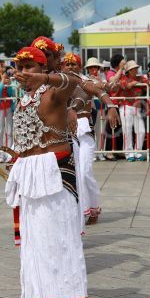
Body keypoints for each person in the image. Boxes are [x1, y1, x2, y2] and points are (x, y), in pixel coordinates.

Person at [7, 46, 86, 298]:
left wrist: (48, 80)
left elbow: (76, 83)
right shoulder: (23, 99)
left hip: (54, 172)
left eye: (30, 67)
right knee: (33, 240)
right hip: (29, 173)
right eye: (21, 67)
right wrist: (17, 159)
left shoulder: (54, 91)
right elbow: (29, 139)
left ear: (43, 69)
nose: (24, 72)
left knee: (56, 238)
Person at [62, 52, 103, 225]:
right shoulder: (60, 83)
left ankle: (93, 207)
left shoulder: (87, 82)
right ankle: (78, 210)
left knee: (85, 172)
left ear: (80, 66)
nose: (70, 67)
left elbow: (104, 88)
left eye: (74, 64)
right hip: (67, 132)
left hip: (85, 131)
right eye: (67, 64)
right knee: (74, 173)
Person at [119, 60, 147, 161]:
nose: (135, 70)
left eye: (136, 68)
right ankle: (129, 153)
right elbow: (125, 86)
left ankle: (137, 152)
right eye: (133, 69)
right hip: (126, 106)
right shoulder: (123, 78)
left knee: (141, 130)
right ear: (129, 71)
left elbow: (149, 83)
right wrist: (134, 83)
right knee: (127, 130)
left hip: (137, 108)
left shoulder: (140, 78)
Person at [104, 54, 126, 160]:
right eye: (122, 62)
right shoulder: (110, 72)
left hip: (120, 104)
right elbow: (112, 81)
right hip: (111, 104)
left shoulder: (121, 73)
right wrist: (121, 68)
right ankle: (108, 152)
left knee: (119, 129)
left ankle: (119, 150)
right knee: (110, 128)